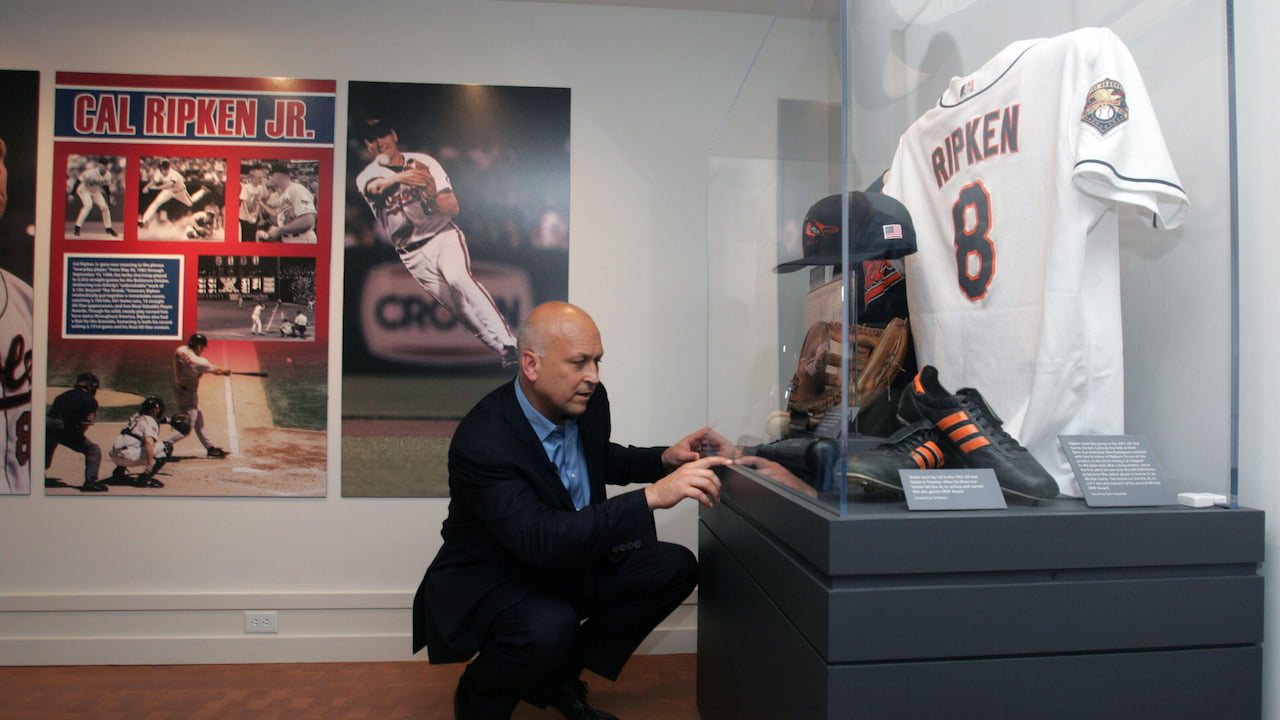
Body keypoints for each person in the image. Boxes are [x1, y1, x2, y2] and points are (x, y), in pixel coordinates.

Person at [413, 301, 732, 720]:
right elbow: (540, 540)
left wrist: (664, 460)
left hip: (569, 555)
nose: (593, 377)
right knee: (549, 625)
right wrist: (652, 496)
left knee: (673, 567)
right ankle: (479, 696)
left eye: (597, 361)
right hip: (503, 574)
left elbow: (597, 458)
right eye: (580, 362)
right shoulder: (483, 440)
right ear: (530, 364)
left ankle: (555, 677)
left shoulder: (587, 400)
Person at [355, 118, 517, 367]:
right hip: (411, 254)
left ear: (394, 135)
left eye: (383, 135)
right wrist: (401, 179)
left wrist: (430, 198)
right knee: (459, 309)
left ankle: (509, 342)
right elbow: (376, 188)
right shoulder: (367, 176)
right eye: (372, 139)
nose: (379, 142)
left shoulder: (425, 163)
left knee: (458, 279)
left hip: (443, 236)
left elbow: (452, 207)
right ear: (367, 145)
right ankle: (502, 351)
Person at [164, 333, 231, 458]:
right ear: (199, 346)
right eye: (203, 347)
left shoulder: (180, 350)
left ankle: (210, 448)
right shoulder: (200, 361)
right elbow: (215, 370)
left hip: (178, 391)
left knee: (198, 421)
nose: (203, 350)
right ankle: (164, 445)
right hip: (188, 395)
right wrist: (226, 371)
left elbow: (195, 369)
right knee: (186, 428)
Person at [45, 372, 103, 492]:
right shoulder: (90, 400)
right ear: (90, 386)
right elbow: (84, 424)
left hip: (47, 425)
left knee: (48, 446)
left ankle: (37, 474)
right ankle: (90, 482)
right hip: (63, 427)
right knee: (93, 450)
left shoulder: (62, 395)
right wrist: (78, 438)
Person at [107, 396, 169, 488]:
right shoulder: (150, 421)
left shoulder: (134, 417)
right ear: (155, 409)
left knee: (133, 441)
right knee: (166, 447)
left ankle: (118, 473)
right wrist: (149, 465)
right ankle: (145, 478)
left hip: (114, 455)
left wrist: (169, 420)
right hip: (129, 457)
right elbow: (149, 442)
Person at [138, 159, 209, 228]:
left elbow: (170, 184)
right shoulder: (159, 172)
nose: (163, 171)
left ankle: (202, 190)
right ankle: (144, 220)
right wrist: (146, 187)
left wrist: (156, 188)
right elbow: (154, 181)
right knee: (156, 203)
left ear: (168, 168)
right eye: (162, 169)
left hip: (179, 191)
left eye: (165, 169)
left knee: (190, 203)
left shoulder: (174, 174)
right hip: (168, 191)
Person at [264, 163, 316, 243]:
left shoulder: (296, 189)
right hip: (289, 239)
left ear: (276, 176)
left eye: (270, 177)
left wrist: (280, 230)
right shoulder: (283, 195)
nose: (269, 180)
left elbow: (308, 220)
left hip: (302, 240)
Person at [71, 157, 116, 237]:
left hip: (95, 191)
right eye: (102, 165)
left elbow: (106, 186)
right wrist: (72, 194)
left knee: (105, 207)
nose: (104, 167)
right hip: (84, 189)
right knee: (88, 206)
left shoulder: (108, 175)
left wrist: (109, 196)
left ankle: (108, 228)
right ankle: (77, 228)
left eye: (106, 165)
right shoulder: (90, 173)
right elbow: (78, 181)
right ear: (98, 165)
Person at [238, 164, 269, 242]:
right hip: (245, 215)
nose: (260, 179)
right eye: (259, 178)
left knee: (252, 236)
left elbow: (264, 196)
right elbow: (244, 202)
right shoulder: (246, 187)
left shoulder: (260, 187)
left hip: (254, 215)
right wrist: (248, 215)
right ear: (252, 178)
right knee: (245, 236)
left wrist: (257, 215)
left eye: (261, 177)